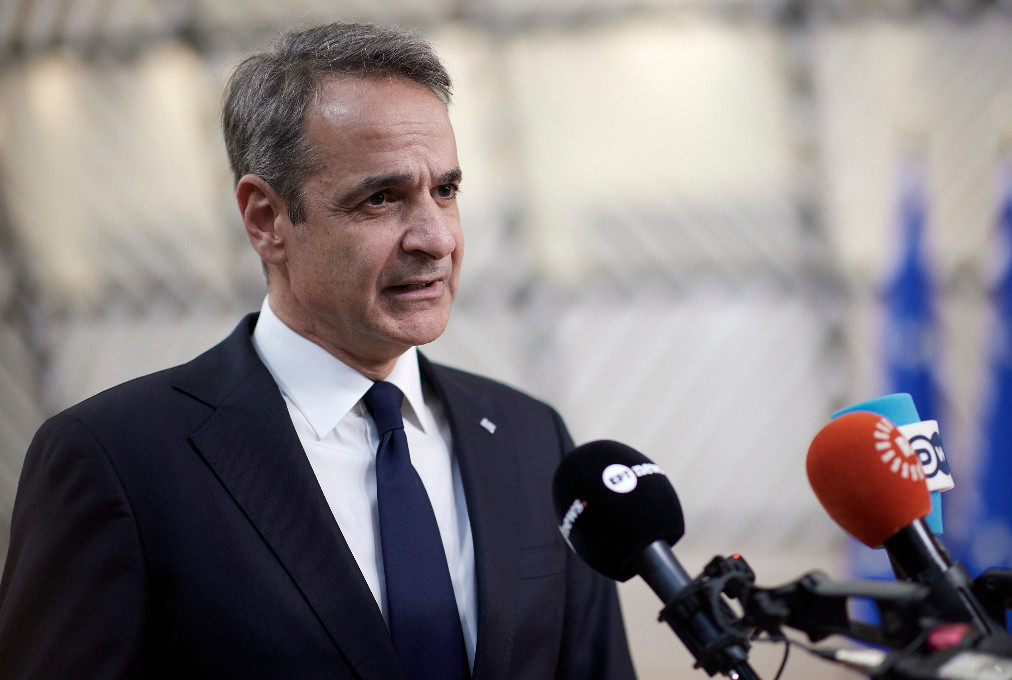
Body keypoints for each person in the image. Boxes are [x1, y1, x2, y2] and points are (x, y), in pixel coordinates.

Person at [0, 22, 637, 680]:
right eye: (381, 198)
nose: (436, 238)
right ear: (265, 220)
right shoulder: (120, 461)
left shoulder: (533, 439)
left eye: (445, 191)